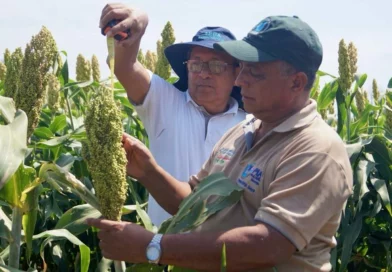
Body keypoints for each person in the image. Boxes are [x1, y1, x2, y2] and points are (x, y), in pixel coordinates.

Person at [88, 15, 353, 271]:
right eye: (242, 69)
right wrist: (149, 172)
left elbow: (269, 245)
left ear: (297, 82)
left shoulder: (315, 150)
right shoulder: (242, 132)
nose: (239, 80)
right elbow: (194, 205)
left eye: (255, 72)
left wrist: (153, 246)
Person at [99, 4, 246, 226]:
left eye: (216, 66)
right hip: (162, 250)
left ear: (236, 73)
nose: (204, 73)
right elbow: (124, 65)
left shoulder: (250, 126)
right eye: (196, 64)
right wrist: (139, 22)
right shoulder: (165, 102)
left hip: (221, 255)